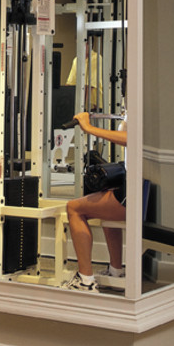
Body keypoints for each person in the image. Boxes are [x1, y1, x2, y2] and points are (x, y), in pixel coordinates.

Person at [62, 111, 127, 293]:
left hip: (135, 196)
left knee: (74, 208)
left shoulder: (142, 109)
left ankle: (85, 281)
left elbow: (131, 139)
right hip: (138, 190)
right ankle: (115, 271)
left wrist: (89, 128)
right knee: (105, 199)